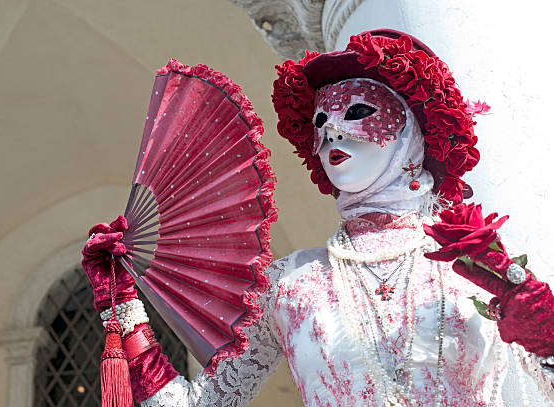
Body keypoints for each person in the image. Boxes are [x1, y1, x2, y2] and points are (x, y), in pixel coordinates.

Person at [81, 29, 554, 406]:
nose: (331, 133)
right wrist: (123, 307)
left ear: (412, 131)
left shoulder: (477, 264)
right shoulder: (290, 284)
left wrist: (547, 339)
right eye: (320, 124)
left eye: (359, 112)